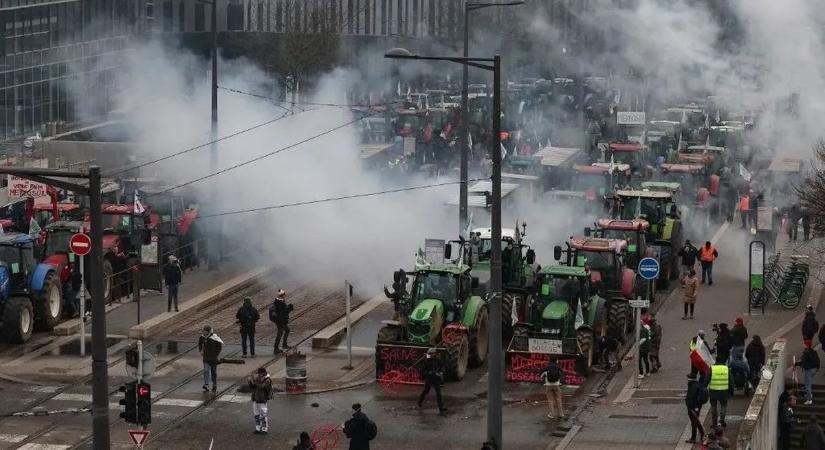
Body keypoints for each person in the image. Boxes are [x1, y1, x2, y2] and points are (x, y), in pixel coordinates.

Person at [418, 348, 447, 414]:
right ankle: (420, 402)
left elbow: (443, 366)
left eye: (432, 353)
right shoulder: (426, 361)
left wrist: (441, 372)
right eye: (430, 354)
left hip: (436, 379)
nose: (431, 355)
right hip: (429, 379)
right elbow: (422, 371)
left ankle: (441, 408)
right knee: (426, 391)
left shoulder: (438, 360)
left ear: (435, 353)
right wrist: (429, 373)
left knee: (438, 393)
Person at [198, 325, 223, 392]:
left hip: (213, 358)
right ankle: (206, 384)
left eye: (205, 331)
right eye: (203, 331)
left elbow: (219, 346)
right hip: (205, 357)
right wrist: (200, 350)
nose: (204, 332)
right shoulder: (202, 337)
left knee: (213, 371)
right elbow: (200, 343)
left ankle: (214, 384)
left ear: (208, 332)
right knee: (206, 370)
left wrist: (216, 354)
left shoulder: (214, 337)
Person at [247, 367, 272, 434]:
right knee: (256, 415)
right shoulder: (257, 378)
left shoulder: (267, 380)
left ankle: (264, 429)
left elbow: (261, 387)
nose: (258, 375)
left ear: (263, 373)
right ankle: (258, 428)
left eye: (259, 374)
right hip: (255, 399)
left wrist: (254, 381)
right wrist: (249, 381)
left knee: (263, 415)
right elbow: (252, 388)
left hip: (262, 400)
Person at [795, 341, 820, 405]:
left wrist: (796, 364)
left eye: (804, 344)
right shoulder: (813, 351)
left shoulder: (806, 352)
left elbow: (803, 362)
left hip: (809, 370)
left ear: (806, 345)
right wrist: (817, 368)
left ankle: (809, 399)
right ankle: (808, 395)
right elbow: (818, 360)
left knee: (807, 385)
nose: (803, 344)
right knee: (807, 383)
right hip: (814, 369)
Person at [708, 359, 731, 428]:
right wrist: (731, 391)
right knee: (723, 405)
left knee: (713, 406)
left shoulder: (712, 369)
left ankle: (714, 423)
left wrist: (703, 388)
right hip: (724, 391)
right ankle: (721, 420)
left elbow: (706, 380)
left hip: (713, 392)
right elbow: (731, 381)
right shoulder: (726, 369)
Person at [684, 374, 707, 444]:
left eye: (688, 378)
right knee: (695, 421)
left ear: (690, 379)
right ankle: (702, 435)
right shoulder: (697, 384)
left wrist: (690, 407)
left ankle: (695, 437)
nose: (687, 379)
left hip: (693, 407)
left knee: (694, 422)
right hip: (696, 406)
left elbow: (691, 397)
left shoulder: (692, 386)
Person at [270, 289, 293, 354]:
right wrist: (289, 308)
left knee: (287, 330)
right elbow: (284, 312)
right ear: (282, 295)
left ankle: (284, 344)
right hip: (280, 321)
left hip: (281, 320)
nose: (285, 296)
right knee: (280, 334)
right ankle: (276, 348)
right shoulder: (280, 303)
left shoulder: (278, 301)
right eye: (284, 295)